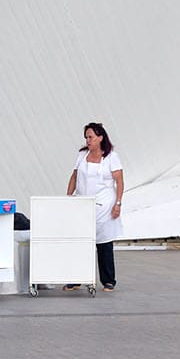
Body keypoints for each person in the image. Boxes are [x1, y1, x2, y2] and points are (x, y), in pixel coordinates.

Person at [64, 121, 124, 292]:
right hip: (82, 204)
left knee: (104, 243)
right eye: (86, 137)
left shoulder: (111, 157)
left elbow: (119, 181)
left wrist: (118, 203)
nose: (88, 140)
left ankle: (108, 280)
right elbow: (74, 177)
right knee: (80, 242)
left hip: (104, 205)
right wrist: (68, 197)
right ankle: (77, 279)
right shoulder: (82, 155)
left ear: (100, 138)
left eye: (90, 137)